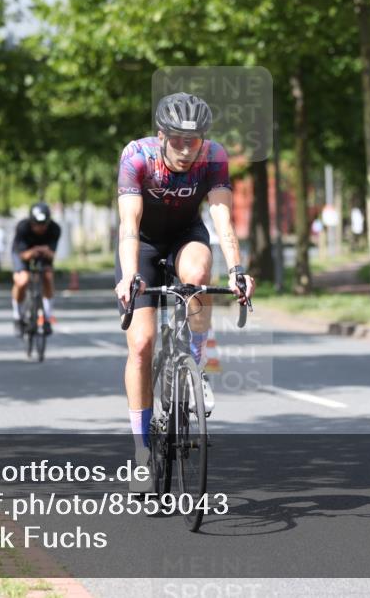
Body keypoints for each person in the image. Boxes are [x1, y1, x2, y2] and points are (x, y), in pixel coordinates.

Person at [114, 92, 254, 489]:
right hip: (141, 243)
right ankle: (141, 453)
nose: (185, 148)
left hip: (185, 237)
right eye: (176, 139)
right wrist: (128, 276)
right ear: (162, 135)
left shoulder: (214, 156)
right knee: (141, 344)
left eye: (193, 140)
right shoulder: (137, 156)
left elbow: (222, 217)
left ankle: (197, 366)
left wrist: (238, 270)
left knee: (198, 273)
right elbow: (128, 224)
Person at [10, 202, 61, 336]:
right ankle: (17, 316)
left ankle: (47, 317)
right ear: (31, 222)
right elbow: (22, 254)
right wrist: (34, 251)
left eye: (43, 225)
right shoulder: (22, 227)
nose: (40, 228)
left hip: (43, 254)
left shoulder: (55, 229)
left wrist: (44, 251)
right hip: (23, 253)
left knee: (48, 277)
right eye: (36, 225)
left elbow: (52, 254)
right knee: (22, 281)